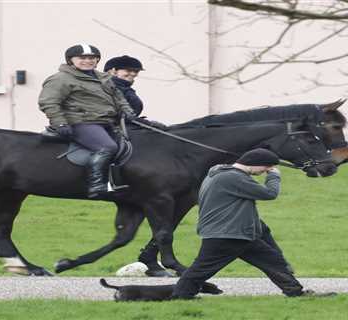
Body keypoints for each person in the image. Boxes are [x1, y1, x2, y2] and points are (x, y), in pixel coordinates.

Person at [171, 148, 328, 299]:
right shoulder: (232, 177)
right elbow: (269, 193)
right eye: (266, 167)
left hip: (238, 233)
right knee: (201, 270)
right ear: (255, 163)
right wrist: (273, 176)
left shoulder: (220, 173)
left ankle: (294, 291)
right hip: (226, 234)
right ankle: (180, 296)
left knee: (273, 261)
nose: (265, 171)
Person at [38, 44, 137, 199]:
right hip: (80, 121)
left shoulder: (103, 78)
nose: (87, 61)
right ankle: (97, 186)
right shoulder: (61, 79)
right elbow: (49, 102)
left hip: (106, 122)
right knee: (107, 147)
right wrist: (60, 123)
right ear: (71, 60)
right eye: (82, 58)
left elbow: (119, 98)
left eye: (91, 58)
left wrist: (129, 113)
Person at [104, 55, 167, 130]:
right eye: (128, 70)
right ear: (113, 71)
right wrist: (148, 124)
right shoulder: (106, 87)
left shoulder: (125, 88)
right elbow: (119, 114)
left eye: (136, 71)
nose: (133, 74)